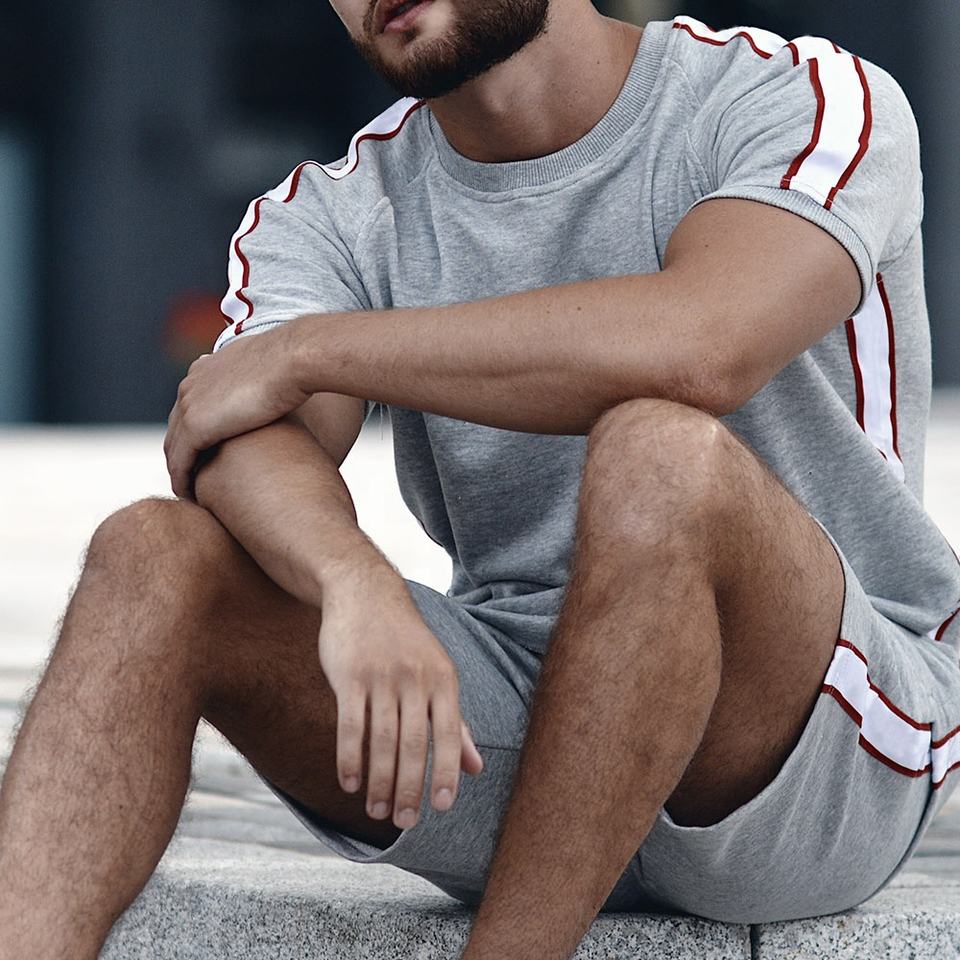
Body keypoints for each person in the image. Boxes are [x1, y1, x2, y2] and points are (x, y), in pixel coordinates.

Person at [2, 1, 959, 957]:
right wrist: (351, 579)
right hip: (521, 729)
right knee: (153, 552)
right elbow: (239, 433)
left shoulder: (798, 95)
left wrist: (311, 349)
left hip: (810, 746)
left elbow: (703, 345)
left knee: (662, 454)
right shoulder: (336, 207)